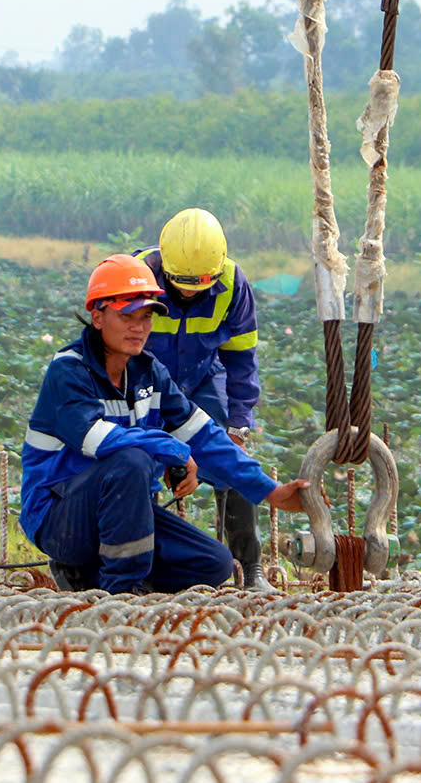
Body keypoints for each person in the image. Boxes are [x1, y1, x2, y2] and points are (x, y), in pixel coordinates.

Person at [19, 254, 307, 594]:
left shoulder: (149, 372)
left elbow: (204, 435)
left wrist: (272, 492)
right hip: (61, 517)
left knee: (213, 563)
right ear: (98, 317)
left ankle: (93, 577)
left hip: (124, 514)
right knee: (131, 460)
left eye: (146, 317)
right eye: (127, 316)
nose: (138, 327)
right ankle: (120, 593)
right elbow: (97, 440)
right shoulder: (68, 371)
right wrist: (173, 449)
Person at [138, 208, 273, 589]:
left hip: (201, 377)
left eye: (199, 285)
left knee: (233, 463)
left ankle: (250, 569)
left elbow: (242, 359)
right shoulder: (136, 277)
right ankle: (141, 567)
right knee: (135, 467)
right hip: (143, 385)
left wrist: (238, 424)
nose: (190, 293)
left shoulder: (232, 284)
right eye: (181, 284)